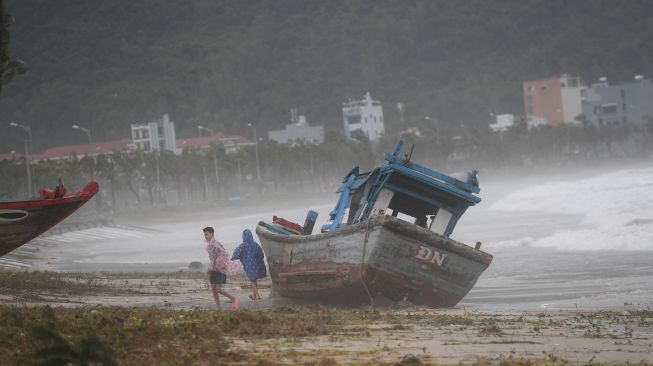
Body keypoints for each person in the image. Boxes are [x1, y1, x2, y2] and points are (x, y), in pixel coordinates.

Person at [203, 227, 239, 310]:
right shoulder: (210, 245)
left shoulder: (216, 244)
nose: (205, 236)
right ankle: (219, 308)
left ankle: (233, 299)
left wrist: (219, 264)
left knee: (218, 289)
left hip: (220, 269)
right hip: (213, 269)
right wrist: (210, 268)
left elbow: (225, 254)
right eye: (204, 234)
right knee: (213, 289)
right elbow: (212, 258)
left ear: (212, 234)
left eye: (206, 234)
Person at [232, 229, 267, 300]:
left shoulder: (243, 245)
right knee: (254, 279)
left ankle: (257, 295)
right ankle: (254, 295)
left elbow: (236, 253)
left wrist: (233, 258)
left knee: (252, 280)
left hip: (249, 265)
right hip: (257, 264)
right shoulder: (255, 244)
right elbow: (261, 254)